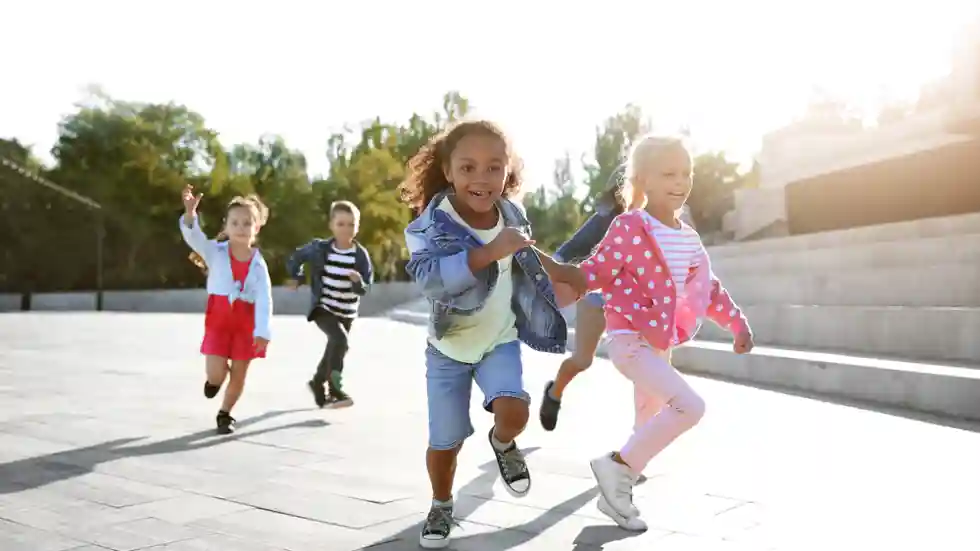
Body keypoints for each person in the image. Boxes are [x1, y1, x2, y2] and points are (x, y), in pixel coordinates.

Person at [399, 119, 584, 549]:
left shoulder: (511, 214)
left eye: (493, 167)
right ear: (448, 171)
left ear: (508, 170)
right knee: (446, 442)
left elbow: (524, 251)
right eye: (468, 168)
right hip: (448, 349)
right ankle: (442, 504)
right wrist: (486, 253)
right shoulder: (430, 226)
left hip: (498, 339)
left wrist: (562, 271)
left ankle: (503, 443)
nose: (481, 179)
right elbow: (429, 279)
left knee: (515, 411)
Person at [561, 134, 754, 531]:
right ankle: (616, 468)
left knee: (646, 422)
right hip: (630, 343)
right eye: (669, 173)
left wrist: (736, 322)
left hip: (659, 346)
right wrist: (558, 275)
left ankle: (617, 495)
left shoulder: (687, 237)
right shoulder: (631, 226)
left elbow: (708, 288)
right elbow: (597, 270)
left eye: (687, 173)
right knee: (690, 406)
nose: (681, 181)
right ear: (643, 181)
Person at [539, 165, 642, 433]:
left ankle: (641, 438)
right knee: (582, 360)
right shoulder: (607, 219)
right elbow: (568, 251)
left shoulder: (658, 219)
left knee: (645, 365)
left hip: (635, 304)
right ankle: (555, 392)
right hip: (598, 299)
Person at [181, 185, 273, 435]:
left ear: (257, 227)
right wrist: (190, 215)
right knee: (215, 370)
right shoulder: (215, 252)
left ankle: (225, 413)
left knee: (240, 373)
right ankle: (214, 381)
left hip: (246, 324)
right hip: (219, 320)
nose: (241, 228)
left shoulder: (258, 264)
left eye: (247, 223)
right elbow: (194, 237)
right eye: (235, 223)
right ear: (226, 226)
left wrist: (263, 331)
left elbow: (265, 299)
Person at [286, 200, 373, 409]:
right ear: (332, 225)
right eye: (341, 224)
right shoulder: (320, 248)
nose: (346, 229)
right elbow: (295, 257)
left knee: (334, 348)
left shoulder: (360, 255)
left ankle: (317, 383)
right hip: (323, 307)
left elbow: (367, 287)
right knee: (340, 340)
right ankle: (335, 390)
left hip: (347, 311)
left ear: (357, 227)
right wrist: (296, 277)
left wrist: (358, 283)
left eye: (351, 225)